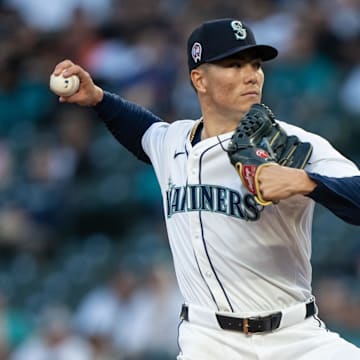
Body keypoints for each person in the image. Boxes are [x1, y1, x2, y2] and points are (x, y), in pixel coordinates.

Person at [51, 18, 360, 360]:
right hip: (210, 342)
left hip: (295, 337)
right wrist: (97, 98)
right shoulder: (172, 141)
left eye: (255, 64)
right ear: (199, 78)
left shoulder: (291, 144)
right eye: (234, 64)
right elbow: (142, 132)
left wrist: (306, 182)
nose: (251, 75)